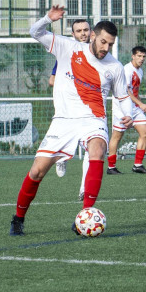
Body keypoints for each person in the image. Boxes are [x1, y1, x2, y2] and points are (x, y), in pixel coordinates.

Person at [10, 5, 132, 236]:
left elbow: (122, 96)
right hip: (63, 121)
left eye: (111, 44)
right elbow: (34, 33)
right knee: (37, 171)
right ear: (93, 36)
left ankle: (85, 216)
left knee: (97, 151)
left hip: (93, 119)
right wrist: (48, 18)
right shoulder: (68, 47)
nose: (106, 48)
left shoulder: (115, 67)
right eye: (103, 42)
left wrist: (126, 114)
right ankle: (18, 218)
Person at [47, 19, 91, 180]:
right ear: (73, 34)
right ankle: (61, 158)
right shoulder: (66, 53)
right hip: (66, 108)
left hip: (88, 107)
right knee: (59, 144)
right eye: (79, 31)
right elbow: (52, 80)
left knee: (93, 148)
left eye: (85, 30)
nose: (83, 34)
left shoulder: (97, 53)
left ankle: (84, 188)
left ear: (91, 32)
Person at [104, 45, 146, 176]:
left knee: (145, 133)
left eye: (143, 56)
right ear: (133, 56)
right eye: (139, 56)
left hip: (134, 107)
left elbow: (135, 91)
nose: (141, 59)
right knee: (117, 136)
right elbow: (126, 91)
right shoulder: (127, 70)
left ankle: (138, 165)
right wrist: (141, 104)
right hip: (122, 107)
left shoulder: (140, 71)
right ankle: (111, 167)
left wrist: (139, 104)